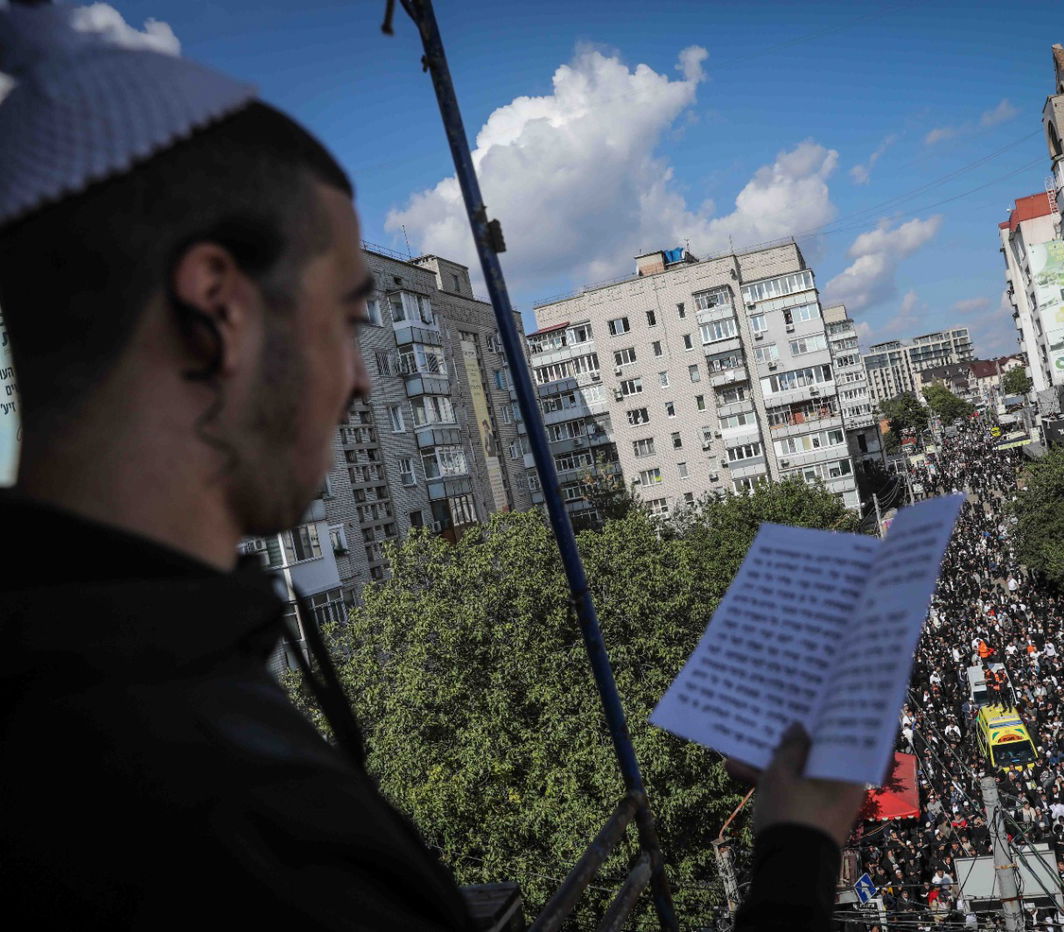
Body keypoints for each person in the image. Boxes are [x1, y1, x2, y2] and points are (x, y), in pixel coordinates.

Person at [0, 6, 864, 929]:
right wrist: (799, 850)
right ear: (218, 308)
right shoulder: (212, 801)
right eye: (345, 318)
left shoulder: (91, 697)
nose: (362, 383)